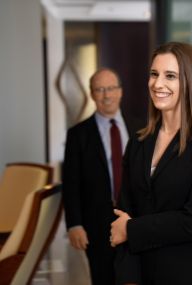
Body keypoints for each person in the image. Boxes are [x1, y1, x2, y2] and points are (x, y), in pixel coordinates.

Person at [110, 42, 192, 285]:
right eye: (154, 74)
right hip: (145, 274)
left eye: (170, 76)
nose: (158, 84)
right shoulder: (138, 141)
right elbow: (123, 215)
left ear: (191, 82)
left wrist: (132, 230)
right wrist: (128, 278)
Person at [62, 68, 143, 285]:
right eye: (99, 90)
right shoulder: (78, 134)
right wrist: (74, 225)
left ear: (120, 91)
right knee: (103, 277)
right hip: (97, 223)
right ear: (91, 94)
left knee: (137, 276)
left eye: (111, 88)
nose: (106, 95)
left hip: (137, 218)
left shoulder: (141, 128)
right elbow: (71, 183)